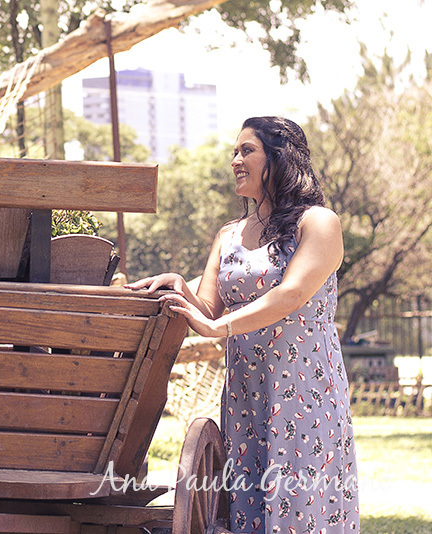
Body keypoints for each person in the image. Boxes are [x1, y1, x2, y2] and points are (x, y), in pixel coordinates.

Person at [127, 116, 358, 534]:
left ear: (281, 158)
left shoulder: (320, 223)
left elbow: (289, 295)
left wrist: (220, 329)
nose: (235, 160)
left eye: (246, 150)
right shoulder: (229, 234)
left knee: (301, 504)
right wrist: (181, 285)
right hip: (246, 393)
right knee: (248, 503)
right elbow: (209, 310)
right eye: (234, 151)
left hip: (303, 393)